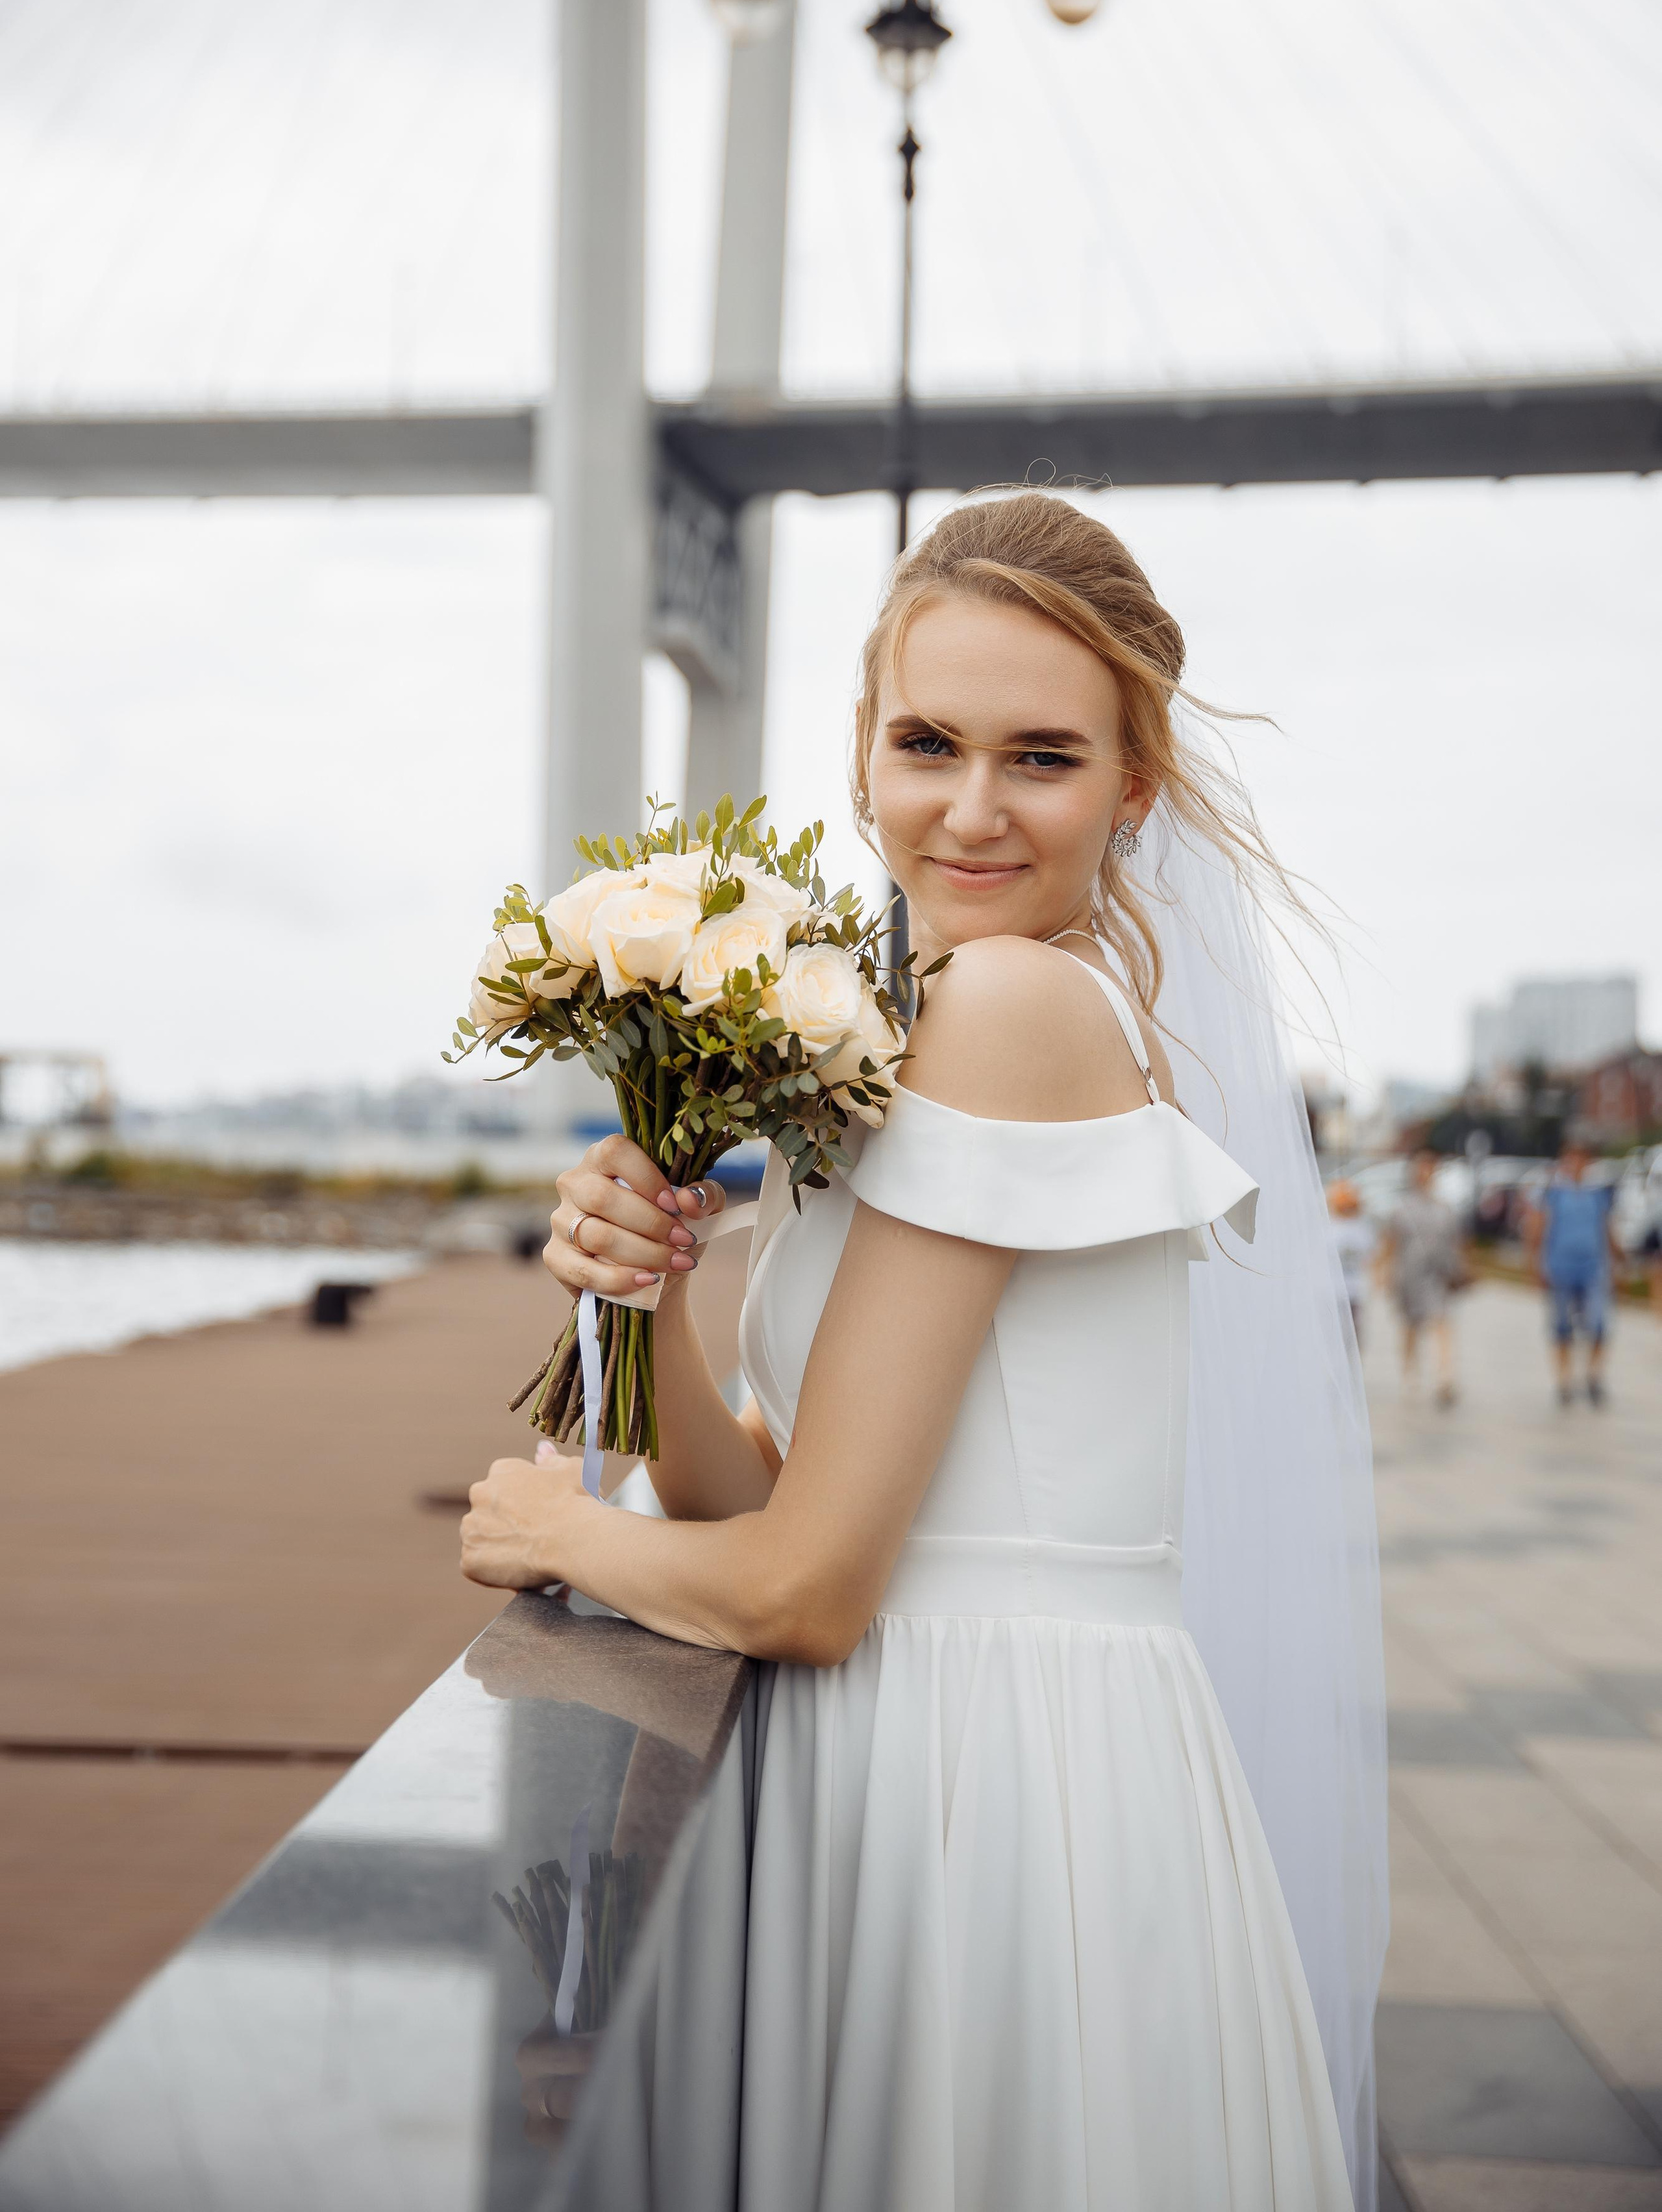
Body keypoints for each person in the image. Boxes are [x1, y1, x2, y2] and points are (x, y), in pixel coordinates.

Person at [461, 493, 1386, 2211]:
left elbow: (807, 1588)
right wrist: (652, 1292)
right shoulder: (917, 1033)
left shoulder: (1017, 1008)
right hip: (924, 1764)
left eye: (1041, 757)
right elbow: (775, 1484)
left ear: (1136, 785)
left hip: (992, 1792)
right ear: (864, 753)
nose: (968, 808)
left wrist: (553, 1531)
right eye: (925, 743)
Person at [1528, 1137, 1620, 1408]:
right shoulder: (1553, 1193)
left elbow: (1607, 1229)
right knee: (1561, 1327)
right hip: (1560, 1268)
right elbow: (1538, 1229)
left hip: (1593, 1269)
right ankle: (1564, 1380)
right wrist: (1536, 1265)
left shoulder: (1598, 1193)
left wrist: (1620, 1261)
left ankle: (1593, 1376)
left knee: (1600, 1325)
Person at [1377, 1149, 1465, 1408]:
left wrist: (1459, 1269)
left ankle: (1445, 1378)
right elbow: (1391, 1243)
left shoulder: (1444, 1208)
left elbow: (1455, 1243)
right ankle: (1410, 1374)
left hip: (1438, 1274)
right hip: (1410, 1275)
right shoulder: (1401, 1208)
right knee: (1411, 1328)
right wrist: (1384, 1274)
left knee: (1441, 1323)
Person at [1328, 1178, 1376, 1347]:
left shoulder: (1361, 1228)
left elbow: (1370, 1256)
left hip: (1354, 1288)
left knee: (1353, 1335)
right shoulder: (1331, 1227)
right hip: (1334, 1290)